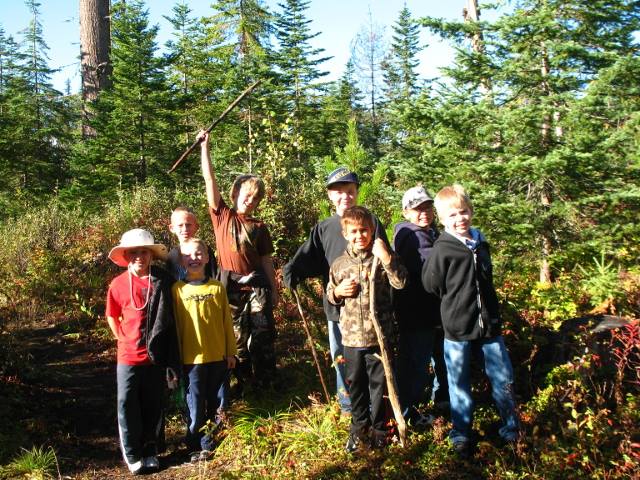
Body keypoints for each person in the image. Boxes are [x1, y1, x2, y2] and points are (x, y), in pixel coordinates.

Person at [422, 184, 519, 458]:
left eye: (463, 212)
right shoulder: (443, 249)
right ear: (442, 219)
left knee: (503, 378)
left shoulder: (480, 242)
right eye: (452, 215)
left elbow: (486, 280)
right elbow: (431, 284)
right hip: (457, 328)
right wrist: (456, 305)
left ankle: (512, 429)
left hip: (490, 325)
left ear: (471, 212)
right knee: (459, 383)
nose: (459, 219)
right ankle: (462, 434)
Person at [282, 167, 389, 415]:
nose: (345, 197)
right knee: (342, 358)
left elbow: (386, 260)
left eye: (350, 191)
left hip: (371, 309)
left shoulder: (371, 222)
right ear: (330, 196)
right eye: (339, 192)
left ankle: (376, 409)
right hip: (338, 310)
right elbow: (308, 257)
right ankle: (348, 406)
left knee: (373, 360)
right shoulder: (324, 228)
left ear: (357, 193)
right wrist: (292, 270)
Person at [198, 130, 278, 392]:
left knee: (263, 336)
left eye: (256, 198)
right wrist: (204, 148)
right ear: (234, 193)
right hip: (230, 288)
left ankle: (266, 384)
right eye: (246, 194)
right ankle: (241, 383)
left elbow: (266, 260)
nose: (250, 200)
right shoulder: (222, 216)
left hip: (258, 287)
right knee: (236, 339)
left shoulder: (260, 226)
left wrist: (274, 290)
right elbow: (209, 181)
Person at [326, 206, 407, 451]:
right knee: (356, 384)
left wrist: (387, 258)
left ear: (372, 231)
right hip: (351, 339)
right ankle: (358, 429)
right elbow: (330, 293)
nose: (360, 235)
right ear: (345, 234)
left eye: (365, 230)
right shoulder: (339, 264)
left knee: (379, 385)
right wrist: (338, 293)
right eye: (354, 231)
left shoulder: (381, 258)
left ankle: (380, 430)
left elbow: (400, 282)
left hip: (378, 337)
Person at [105, 228, 178, 475]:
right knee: (127, 403)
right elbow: (112, 315)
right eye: (134, 252)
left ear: (151, 255)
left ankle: (150, 450)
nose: (139, 257)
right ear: (126, 256)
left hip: (155, 356)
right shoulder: (117, 284)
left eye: (144, 252)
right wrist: (121, 338)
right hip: (128, 357)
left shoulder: (162, 280)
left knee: (153, 404)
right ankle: (133, 453)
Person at [172, 238, 237, 461]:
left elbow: (226, 322)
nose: (194, 258)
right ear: (181, 260)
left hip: (218, 355)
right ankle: (194, 445)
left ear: (207, 258)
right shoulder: (177, 290)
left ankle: (211, 443)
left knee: (218, 402)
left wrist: (231, 351)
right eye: (188, 255)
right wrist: (177, 359)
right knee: (195, 403)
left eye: (199, 254)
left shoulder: (217, 287)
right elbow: (176, 328)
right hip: (192, 359)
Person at [393, 186, 448, 427]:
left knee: (437, 359)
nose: (423, 212)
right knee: (415, 363)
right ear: (406, 212)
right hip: (417, 313)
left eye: (427, 207)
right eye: (417, 208)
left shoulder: (430, 232)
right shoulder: (411, 235)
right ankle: (407, 412)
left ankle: (441, 403)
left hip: (432, 312)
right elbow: (434, 270)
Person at [166, 206, 217, 282]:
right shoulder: (171, 256)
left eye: (188, 225)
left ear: (196, 227)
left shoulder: (204, 250)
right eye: (180, 225)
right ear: (172, 228)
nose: (185, 229)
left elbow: (213, 276)